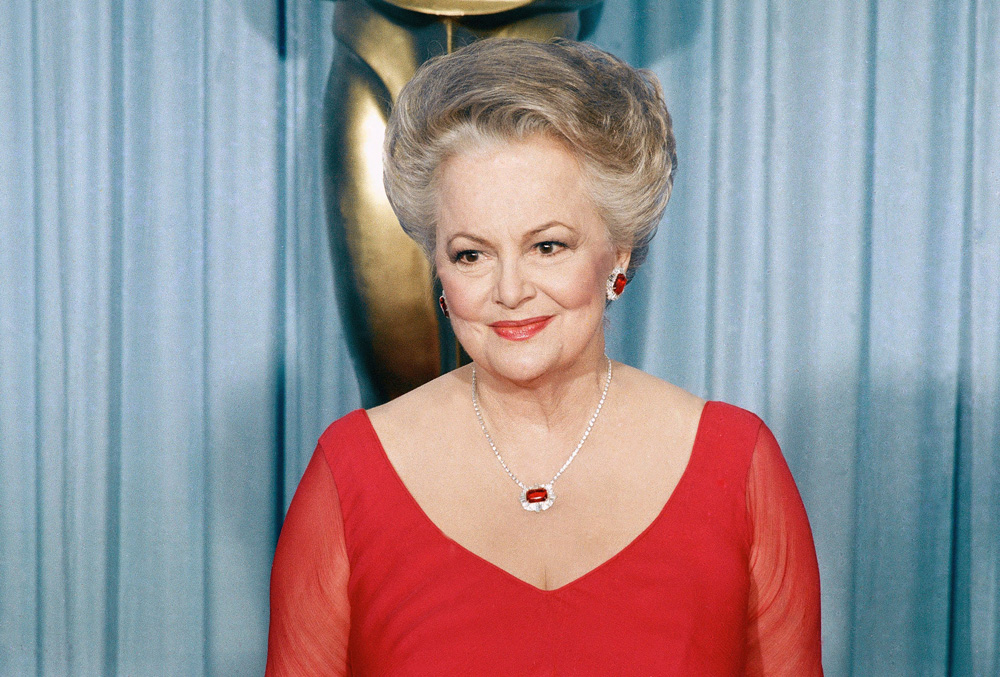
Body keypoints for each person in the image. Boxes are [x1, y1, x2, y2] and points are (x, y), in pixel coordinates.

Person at [266, 38, 823, 675]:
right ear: (438, 267)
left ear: (617, 251)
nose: (509, 291)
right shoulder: (351, 476)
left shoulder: (737, 467)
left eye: (548, 246)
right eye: (471, 254)